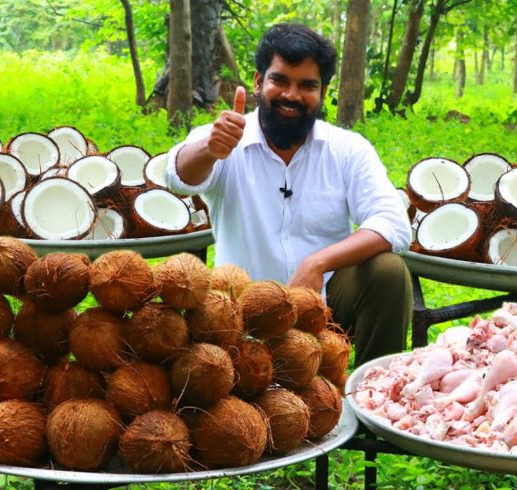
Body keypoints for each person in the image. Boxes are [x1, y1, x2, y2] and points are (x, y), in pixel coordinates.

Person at [165, 23, 412, 366]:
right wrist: (209, 149)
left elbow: (393, 223)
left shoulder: (347, 149)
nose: (292, 96)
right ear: (257, 81)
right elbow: (177, 176)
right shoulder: (225, 137)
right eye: (279, 80)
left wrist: (317, 263)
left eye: (307, 85)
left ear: (323, 91)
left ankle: (374, 398)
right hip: (239, 313)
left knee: (388, 271)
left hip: (324, 307)